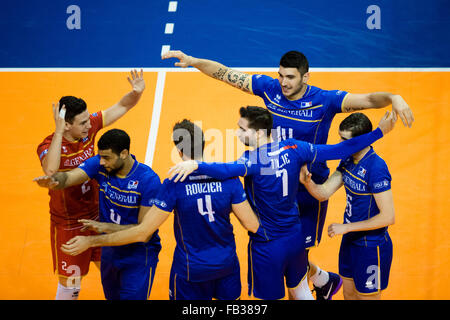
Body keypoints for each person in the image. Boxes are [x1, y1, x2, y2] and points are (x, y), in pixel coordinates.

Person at [161, 49, 413, 299]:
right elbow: (225, 73)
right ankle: (323, 280)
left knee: (296, 259)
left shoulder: (325, 101)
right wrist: (194, 61)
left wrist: (394, 97)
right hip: (271, 189)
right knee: (290, 259)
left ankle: (320, 280)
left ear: (306, 77)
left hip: (307, 191)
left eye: (290, 77)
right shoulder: (269, 89)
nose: (283, 82)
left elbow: (368, 100)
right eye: (280, 75)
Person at [54, 120, 260, 300]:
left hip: (190, 270)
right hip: (226, 267)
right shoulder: (230, 180)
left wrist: (91, 241)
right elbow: (252, 225)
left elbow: (143, 232)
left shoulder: (174, 184)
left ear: (179, 151)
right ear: (204, 145)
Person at [36, 69, 145, 300]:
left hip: (98, 215)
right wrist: (58, 133)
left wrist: (136, 93)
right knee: (72, 283)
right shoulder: (48, 145)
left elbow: (121, 106)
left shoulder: (89, 130)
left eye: (88, 120)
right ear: (66, 125)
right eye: (82, 122)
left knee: (110, 271)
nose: (89, 125)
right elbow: (51, 169)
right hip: (68, 222)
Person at [34, 129, 161, 300]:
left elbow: (143, 232)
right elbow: (71, 177)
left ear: (124, 153)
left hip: (137, 256)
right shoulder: (101, 165)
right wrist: (55, 181)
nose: (101, 162)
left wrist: (100, 233)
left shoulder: (148, 181)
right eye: (100, 157)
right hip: (110, 253)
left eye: (107, 157)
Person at [299, 113, 394, 300]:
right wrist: (307, 182)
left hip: (370, 247)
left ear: (361, 140)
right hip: (350, 242)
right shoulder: (349, 160)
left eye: (345, 140)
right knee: (349, 294)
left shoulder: (376, 168)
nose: (341, 145)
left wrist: (346, 227)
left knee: (366, 297)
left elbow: (388, 217)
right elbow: (324, 192)